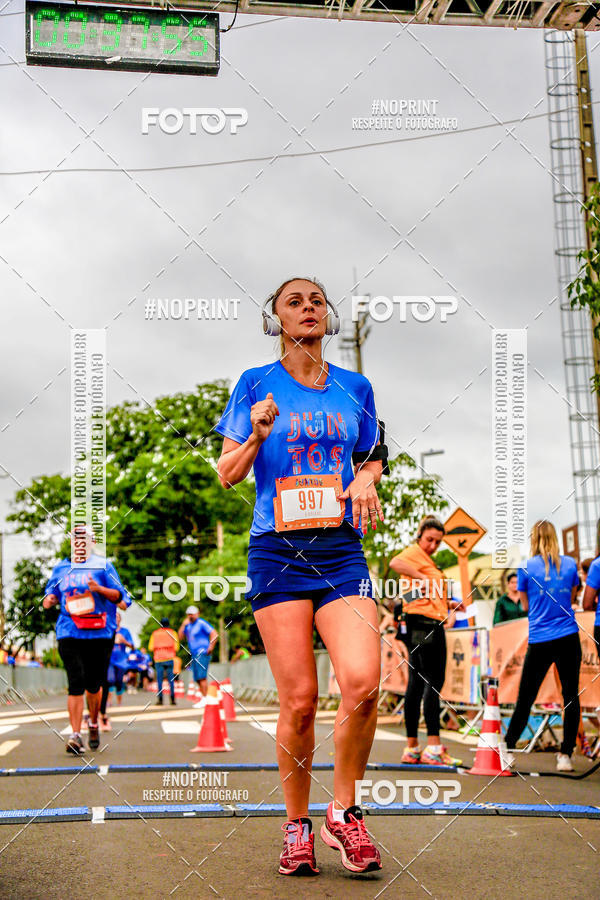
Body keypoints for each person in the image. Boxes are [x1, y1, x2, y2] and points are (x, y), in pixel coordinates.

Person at [216, 277, 385, 876]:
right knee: (302, 700)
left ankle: (345, 812)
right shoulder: (255, 385)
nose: (308, 307)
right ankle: (296, 827)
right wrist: (257, 435)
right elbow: (227, 474)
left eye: (317, 300)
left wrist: (366, 477)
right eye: (295, 301)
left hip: (340, 551)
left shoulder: (355, 386)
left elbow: (372, 452)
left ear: (327, 317)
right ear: (276, 320)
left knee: (363, 682)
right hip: (277, 552)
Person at [42, 527, 131, 754]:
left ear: (92, 542)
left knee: (94, 684)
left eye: (84, 538)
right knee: (76, 682)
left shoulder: (104, 566)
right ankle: (74, 735)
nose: (79, 542)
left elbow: (121, 597)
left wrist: (99, 589)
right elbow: (49, 594)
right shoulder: (61, 568)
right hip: (69, 630)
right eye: (75, 538)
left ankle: (93, 722)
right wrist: (50, 599)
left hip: (100, 632)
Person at [505, 520, 582, 772]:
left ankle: (507, 747)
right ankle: (565, 755)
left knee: (526, 695)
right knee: (570, 694)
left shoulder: (525, 568)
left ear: (534, 539)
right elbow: (570, 600)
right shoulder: (570, 565)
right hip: (568, 635)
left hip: (540, 638)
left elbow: (525, 606)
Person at [389, 515, 465, 766]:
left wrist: (448, 603)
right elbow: (395, 562)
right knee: (433, 681)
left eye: (437, 542)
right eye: (429, 539)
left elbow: (410, 593)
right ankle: (433, 746)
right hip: (426, 623)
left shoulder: (425, 560)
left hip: (420, 619)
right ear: (420, 534)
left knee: (417, 683)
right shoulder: (414, 554)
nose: (433, 546)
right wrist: (423, 578)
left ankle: (412, 748)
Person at [179, 606, 218, 708]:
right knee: (196, 677)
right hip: (194, 654)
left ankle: (206, 699)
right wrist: (183, 625)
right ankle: (204, 698)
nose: (191, 616)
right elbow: (180, 637)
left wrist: (211, 646)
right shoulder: (188, 626)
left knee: (202, 677)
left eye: (192, 614)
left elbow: (214, 634)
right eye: (189, 614)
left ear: (197, 614)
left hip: (202, 652)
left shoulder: (201, 623)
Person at [149, 617, 180, 705]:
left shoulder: (155, 634)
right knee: (171, 680)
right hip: (170, 658)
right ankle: (172, 699)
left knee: (159, 680)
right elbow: (176, 647)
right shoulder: (173, 633)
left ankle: (160, 699)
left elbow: (150, 647)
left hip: (158, 659)